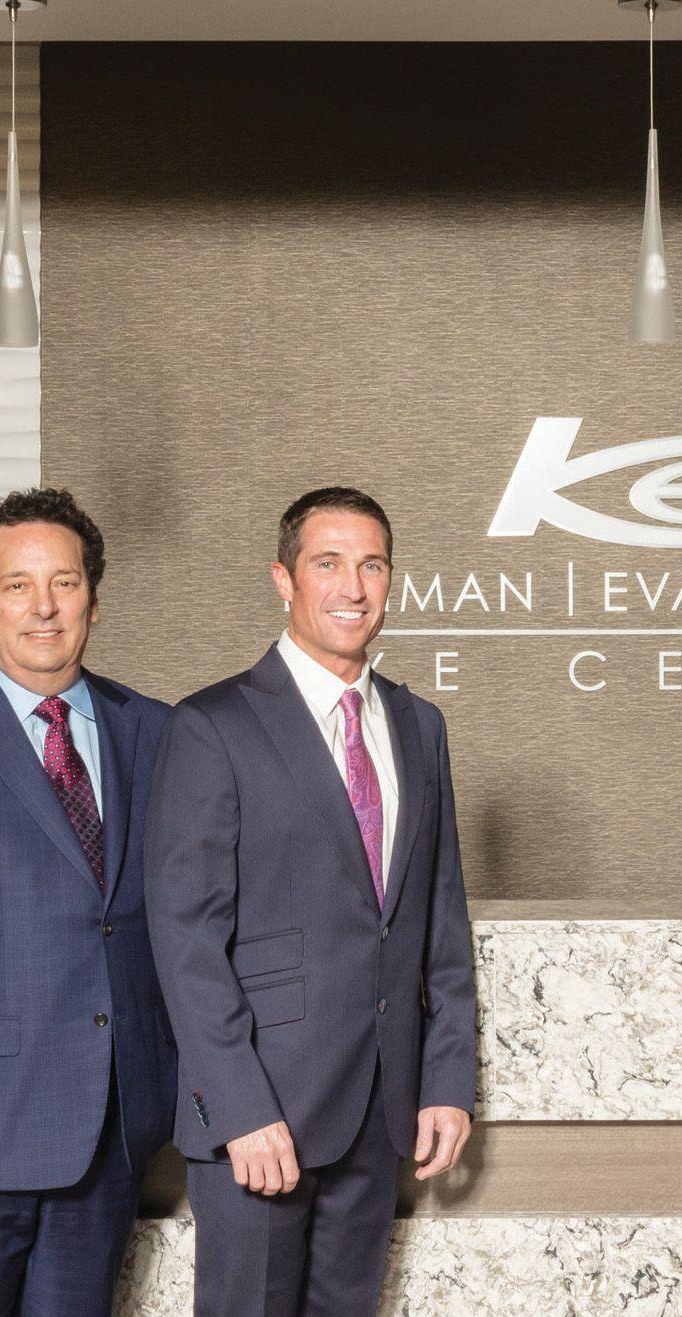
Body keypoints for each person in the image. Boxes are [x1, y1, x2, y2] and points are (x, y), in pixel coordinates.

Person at [145, 486, 476, 1316]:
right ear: (283, 579)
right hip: (260, 1114)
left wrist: (444, 1079)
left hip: (378, 1108)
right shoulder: (212, 725)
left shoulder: (419, 725)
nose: (352, 587)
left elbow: (438, 920)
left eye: (372, 565)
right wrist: (238, 1107)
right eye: (327, 563)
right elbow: (185, 941)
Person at [0, 488, 176, 1317]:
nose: (44, 606)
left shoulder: (155, 731)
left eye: (64, 582)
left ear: (93, 600)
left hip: (113, 1130)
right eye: (17, 585)